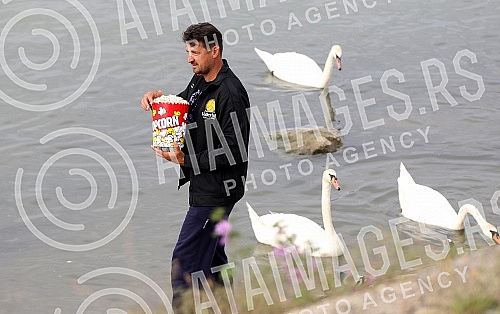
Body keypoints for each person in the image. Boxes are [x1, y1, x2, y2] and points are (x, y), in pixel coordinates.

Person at [140, 22, 250, 306]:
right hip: (205, 186)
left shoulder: (230, 93)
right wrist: (159, 101)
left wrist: (185, 159)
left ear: (214, 51)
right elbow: (182, 104)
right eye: (188, 51)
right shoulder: (200, 81)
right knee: (214, 263)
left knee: (183, 265)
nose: (189, 58)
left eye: (195, 52)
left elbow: (236, 150)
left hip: (217, 192)